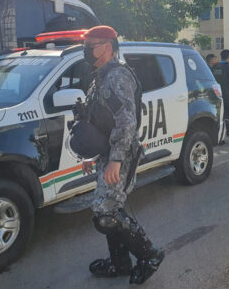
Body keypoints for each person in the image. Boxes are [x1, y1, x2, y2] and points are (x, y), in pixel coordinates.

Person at [79, 26, 164, 284]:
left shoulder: (117, 77)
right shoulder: (101, 76)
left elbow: (126, 122)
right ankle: (120, 262)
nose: (87, 50)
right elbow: (100, 120)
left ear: (107, 46)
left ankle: (149, 255)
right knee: (109, 210)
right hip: (108, 152)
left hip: (122, 153)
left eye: (91, 45)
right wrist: (92, 156)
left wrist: (116, 159)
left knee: (106, 212)